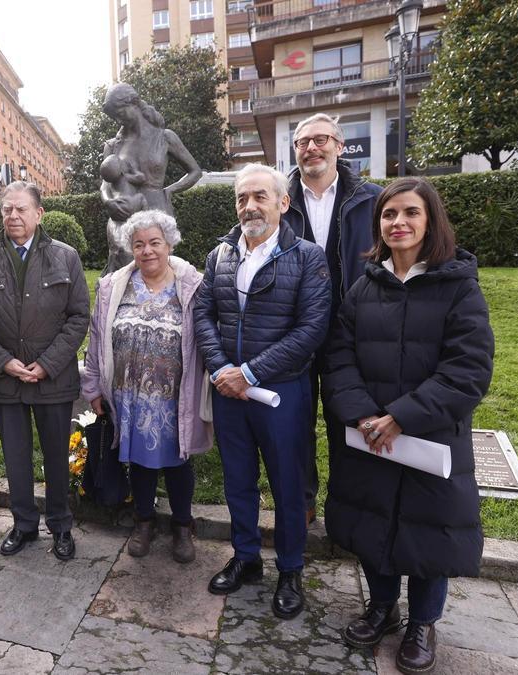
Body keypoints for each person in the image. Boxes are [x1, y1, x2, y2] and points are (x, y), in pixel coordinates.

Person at [324, 177, 494, 674]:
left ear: (429, 221)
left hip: (429, 434)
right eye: (388, 214)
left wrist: (404, 416)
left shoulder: (457, 284)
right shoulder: (365, 285)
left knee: (428, 533)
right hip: (372, 435)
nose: (397, 223)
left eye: (410, 213)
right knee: (372, 521)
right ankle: (381, 608)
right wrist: (362, 413)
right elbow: (338, 357)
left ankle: (423, 621)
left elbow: (469, 368)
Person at [193, 163, 331, 619]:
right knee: (238, 481)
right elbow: (203, 316)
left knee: (288, 486)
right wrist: (221, 369)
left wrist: (250, 372)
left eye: (260, 196)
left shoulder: (308, 257)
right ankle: (246, 557)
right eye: (241, 198)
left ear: (283, 203)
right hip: (229, 393)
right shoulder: (220, 255)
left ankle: (291, 569)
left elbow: (311, 329)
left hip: (281, 394)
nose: (249, 206)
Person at [0, 181, 90, 560]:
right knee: (16, 457)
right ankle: (23, 524)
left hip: (53, 379)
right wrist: (2, 361)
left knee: (56, 456)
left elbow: (79, 315)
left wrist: (47, 364)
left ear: (39, 214)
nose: (12, 216)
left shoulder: (66, 257)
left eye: (20, 209)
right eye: (6, 210)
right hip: (4, 379)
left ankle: (61, 526)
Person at [80, 209, 213, 563]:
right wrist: (92, 386)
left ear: (169, 244)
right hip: (129, 394)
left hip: (175, 395)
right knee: (139, 461)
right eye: (139, 244)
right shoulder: (112, 286)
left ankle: (183, 526)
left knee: (177, 461)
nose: (147, 251)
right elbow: (96, 338)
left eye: (155, 242)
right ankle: (144, 521)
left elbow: (208, 335)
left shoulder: (193, 285)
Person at [283, 113, 382, 524]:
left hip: (351, 330)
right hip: (294, 330)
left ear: (340, 147)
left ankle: (345, 508)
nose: (311, 148)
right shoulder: (279, 199)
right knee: (296, 422)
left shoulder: (371, 199)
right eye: (302, 143)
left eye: (320, 140)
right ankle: (303, 501)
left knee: (349, 418)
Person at [98, 83, 203, 275]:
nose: (117, 119)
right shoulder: (112, 146)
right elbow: (105, 184)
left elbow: (195, 171)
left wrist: (170, 190)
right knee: (123, 271)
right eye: (114, 116)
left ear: (134, 103)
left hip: (157, 209)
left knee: (157, 269)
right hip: (123, 213)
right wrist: (108, 202)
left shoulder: (164, 137)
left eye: (120, 112)